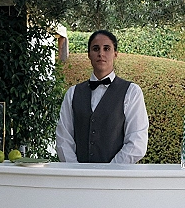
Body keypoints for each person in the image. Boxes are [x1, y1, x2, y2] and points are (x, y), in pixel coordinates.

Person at [56, 30, 149, 163]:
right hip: (78, 178)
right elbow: (63, 138)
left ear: (115, 53)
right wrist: (76, 171)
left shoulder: (132, 92)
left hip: (116, 178)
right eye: (95, 49)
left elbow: (137, 141)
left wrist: (110, 171)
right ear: (89, 54)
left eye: (106, 48)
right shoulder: (72, 93)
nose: (101, 53)